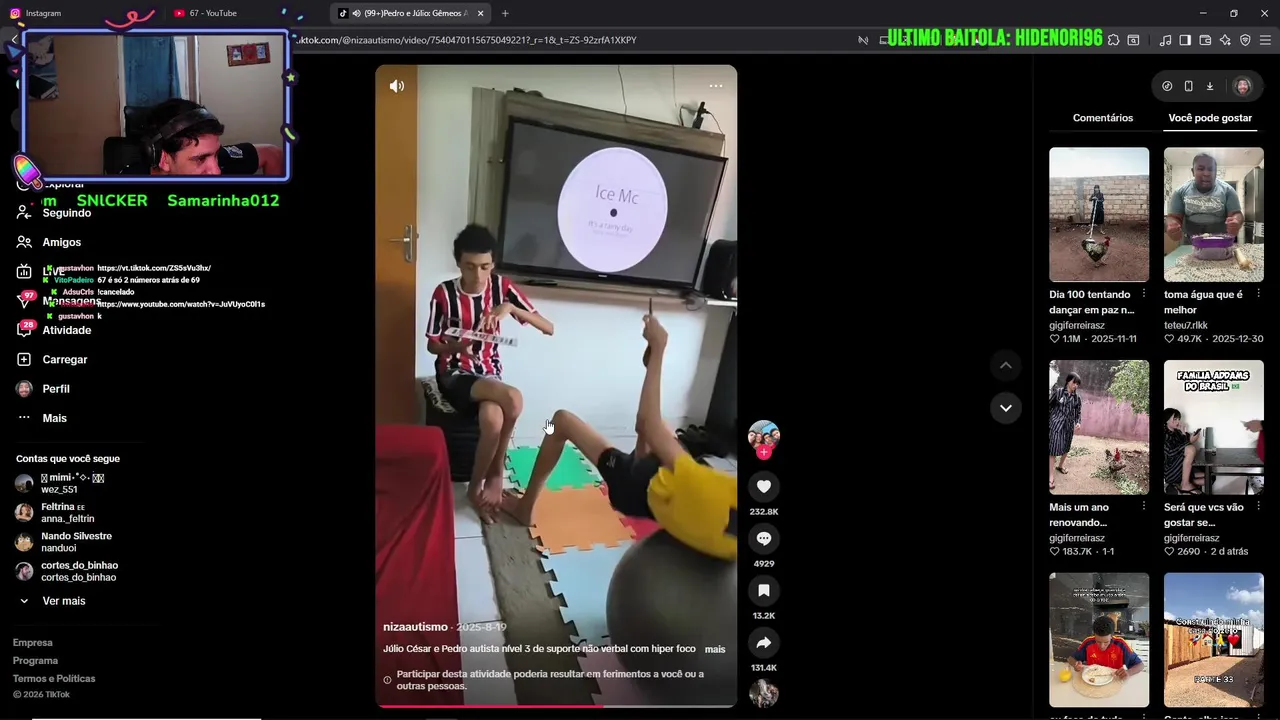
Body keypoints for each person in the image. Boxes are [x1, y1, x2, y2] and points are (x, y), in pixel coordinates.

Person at [499, 313, 738, 561]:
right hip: (659, 488)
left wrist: (658, 348)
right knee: (660, 433)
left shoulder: (699, 483)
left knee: (559, 421)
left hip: (632, 487)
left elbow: (648, 423)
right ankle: (647, 390)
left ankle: (526, 504)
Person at [426, 225, 554, 522]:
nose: (478, 275)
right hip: (454, 372)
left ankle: (475, 489)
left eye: (485, 266)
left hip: (488, 373)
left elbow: (548, 328)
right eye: (470, 266)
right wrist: (457, 346)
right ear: (458, 263)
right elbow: (432, 345)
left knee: (493, 419)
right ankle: (496, 473)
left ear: (493, 263)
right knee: (514, 398)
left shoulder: (501, 287)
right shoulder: (444, 293)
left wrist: (511, 308)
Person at [132, 98, 285, 176]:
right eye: (200, 159)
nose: (216, 171)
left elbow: (272, 153)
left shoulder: (218, 160)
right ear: (164, 159)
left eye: (216, 154)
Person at [1165, 153, 1245, 244]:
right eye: (1201, 169)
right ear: (1193, 171)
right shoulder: (1180, 191)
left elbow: (1236, 214)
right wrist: (1171, 226)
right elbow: (1173, 217)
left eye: (1211, 169)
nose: (1206, 174)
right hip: (1191, 243)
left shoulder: (1228, 190)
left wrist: (1236, 221)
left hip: (1220, 243)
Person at [1069, 616, 1145, 679]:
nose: (1102, 646)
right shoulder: (1088, 642)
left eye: (1106, 642)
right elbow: (1070, 659)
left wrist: (1128, 672)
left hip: (1115, 680)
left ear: (1112, 636)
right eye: (1098, 641)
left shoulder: (1121, 645)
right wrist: (1075, 664)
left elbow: (1140, 665)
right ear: (1094, 635)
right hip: (1093, 679)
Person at [1048, 372, 1083, 489]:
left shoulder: (1077, 398)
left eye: (1077, 384)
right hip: (1056, 425)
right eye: (1074, 383)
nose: (1076, 385)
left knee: (1066, 447)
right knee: (1053, 449)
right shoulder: (1058, 392)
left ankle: (1060, 466)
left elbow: (1078, 413)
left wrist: (1078, 422)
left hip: (1068, 427)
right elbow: (1050, 405)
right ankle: (1051, 477)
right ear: (1068, 381)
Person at [1163, 408, 1204, 494]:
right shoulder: (1164, 434)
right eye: (1175, 419)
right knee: (1191, 448)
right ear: (1166, 420)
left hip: (1182, 469)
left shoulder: (1178, 432)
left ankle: (1179, 485)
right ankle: (1185, 484)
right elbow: (1170, 452)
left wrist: (1183, 432)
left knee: (1210, 477)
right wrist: (1189, 441)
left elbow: (1185, 446)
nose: (1178, 421)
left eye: (1179, 419)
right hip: (1171, 471)